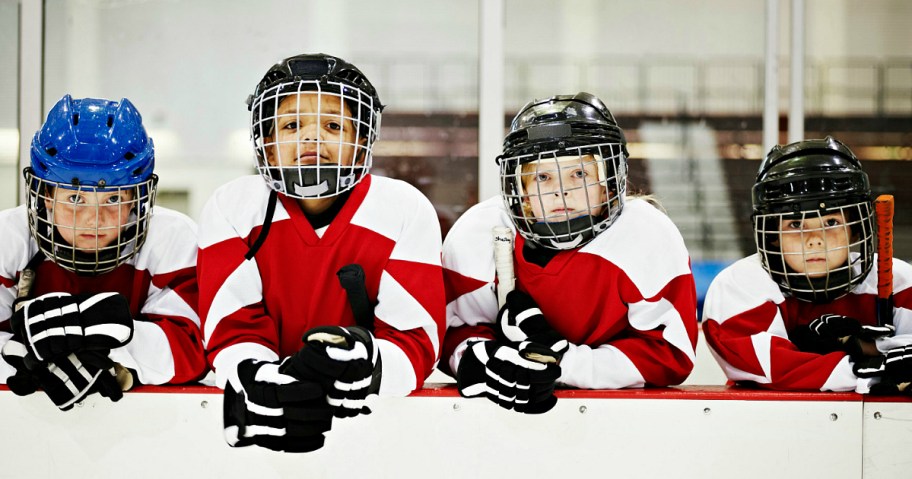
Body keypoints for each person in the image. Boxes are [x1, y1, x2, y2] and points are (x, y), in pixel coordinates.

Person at [197, 53, 445, 452]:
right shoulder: (232, 207)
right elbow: (232, 331)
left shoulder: (404, 208)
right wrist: (260, 380)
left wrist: (368, 365)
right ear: (269, 145)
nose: (311, 138)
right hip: (266, 423)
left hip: (378, 430)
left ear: (361, 140)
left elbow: (415, 342)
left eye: (333, 125)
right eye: (292, 125)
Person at [441, 92, 698, 414]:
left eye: (579, 174)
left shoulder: (646, 234)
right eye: (543, 177)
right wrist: (484, 360)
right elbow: (456, 332)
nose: (562, 191)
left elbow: (668, 355)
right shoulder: (478, 231)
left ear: (608, 181)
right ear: (520, 190)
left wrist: (563, 362)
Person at [0, 94, 207, 410]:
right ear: (46, 196)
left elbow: (192, 346)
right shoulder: (9, 236)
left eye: (112, 200)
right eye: (74, 199)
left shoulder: (172, 236)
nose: (93, 220)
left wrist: (113, 363)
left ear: (138, 199)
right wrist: (33, 363)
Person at [702, 137, 912, 393]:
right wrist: (866, 367)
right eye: (795, 224)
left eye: (831, 222)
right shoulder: (741, 285)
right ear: (772, 235)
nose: (814, 240)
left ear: (856, 229)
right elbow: (772, 368)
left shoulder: (898, 281)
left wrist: (869, 349)